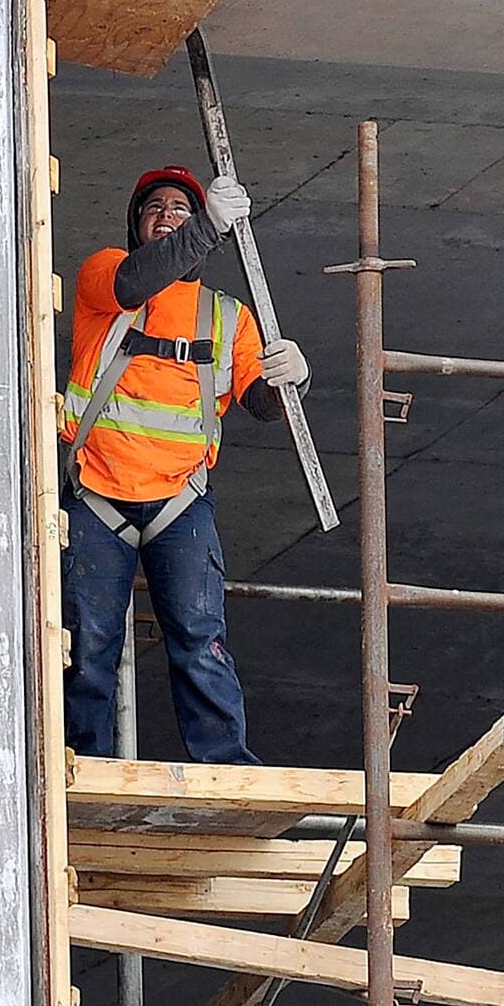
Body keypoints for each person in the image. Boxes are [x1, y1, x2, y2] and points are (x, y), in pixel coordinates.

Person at [60, 165, 311, 764]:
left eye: (179, 207)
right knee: (88, 646)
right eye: (154, 208)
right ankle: (81, 767)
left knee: (201, 642)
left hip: (180, 500)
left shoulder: (228, 318)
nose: (166, 215)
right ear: (135, 225)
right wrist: (206, 225)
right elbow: (135, 282)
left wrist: (292, 379)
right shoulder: (107, 276)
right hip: (97, 492)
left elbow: (260, 403)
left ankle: (224, 769)